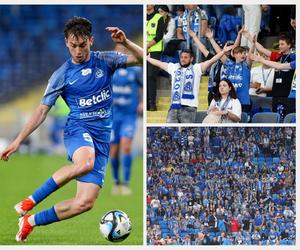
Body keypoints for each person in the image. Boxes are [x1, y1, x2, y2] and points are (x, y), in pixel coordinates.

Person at [0, 16, 142, 242]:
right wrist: (17, 141)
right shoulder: (61, 75)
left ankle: (30, 221)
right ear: (66, 42)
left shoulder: (105, 60)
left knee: (84, 203)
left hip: (102, 138)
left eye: (82, 45)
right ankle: (30, 201)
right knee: (86, 163)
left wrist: (126, 42)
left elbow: (144, 60)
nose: (78, 51)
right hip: (78, 129)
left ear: (91, 41)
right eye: (73, 45)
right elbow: (41, 110)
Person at [147, 43, 234, 123]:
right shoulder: (174, 67)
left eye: (185, 57)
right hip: (173, 107)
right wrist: (147, 58)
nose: (183, 59)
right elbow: (159, 63)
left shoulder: (197, 68)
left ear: (191, 59)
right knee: (170, 129)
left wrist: (223, 51)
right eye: (181, 57)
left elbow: (211, 60)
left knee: (186, 131)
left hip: (189, 108)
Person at [110, 45, 143, 195]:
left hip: (129, 116)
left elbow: (143, 86)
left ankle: (127, 184)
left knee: (126, 146)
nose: (120, 53)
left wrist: (142, 102)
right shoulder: (110, 70)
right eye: (117, 51)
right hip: (113, 116)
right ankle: (117, 182)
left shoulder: (135, 70)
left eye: (122, 51)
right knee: (114, 151)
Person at [147, 5, 165, 111]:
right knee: (144, 76)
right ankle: (145, 104)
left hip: (154, 50)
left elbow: (159, 36)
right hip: (142, 50)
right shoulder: (143, 17)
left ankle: (152, 104)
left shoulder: (159, 17)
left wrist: (147, 46)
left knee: (151, 76)